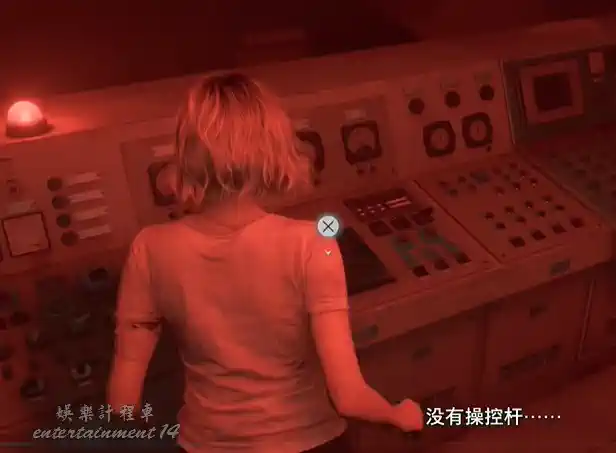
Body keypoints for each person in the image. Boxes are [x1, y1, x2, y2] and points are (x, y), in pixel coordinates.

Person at [107, 72, 424, 453]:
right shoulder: (311, 244)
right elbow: (349, 397)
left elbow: (123, 402)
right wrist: (398, 414)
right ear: (272, 146)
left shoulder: (149, 247)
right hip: (309, 441)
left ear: (186, 151)